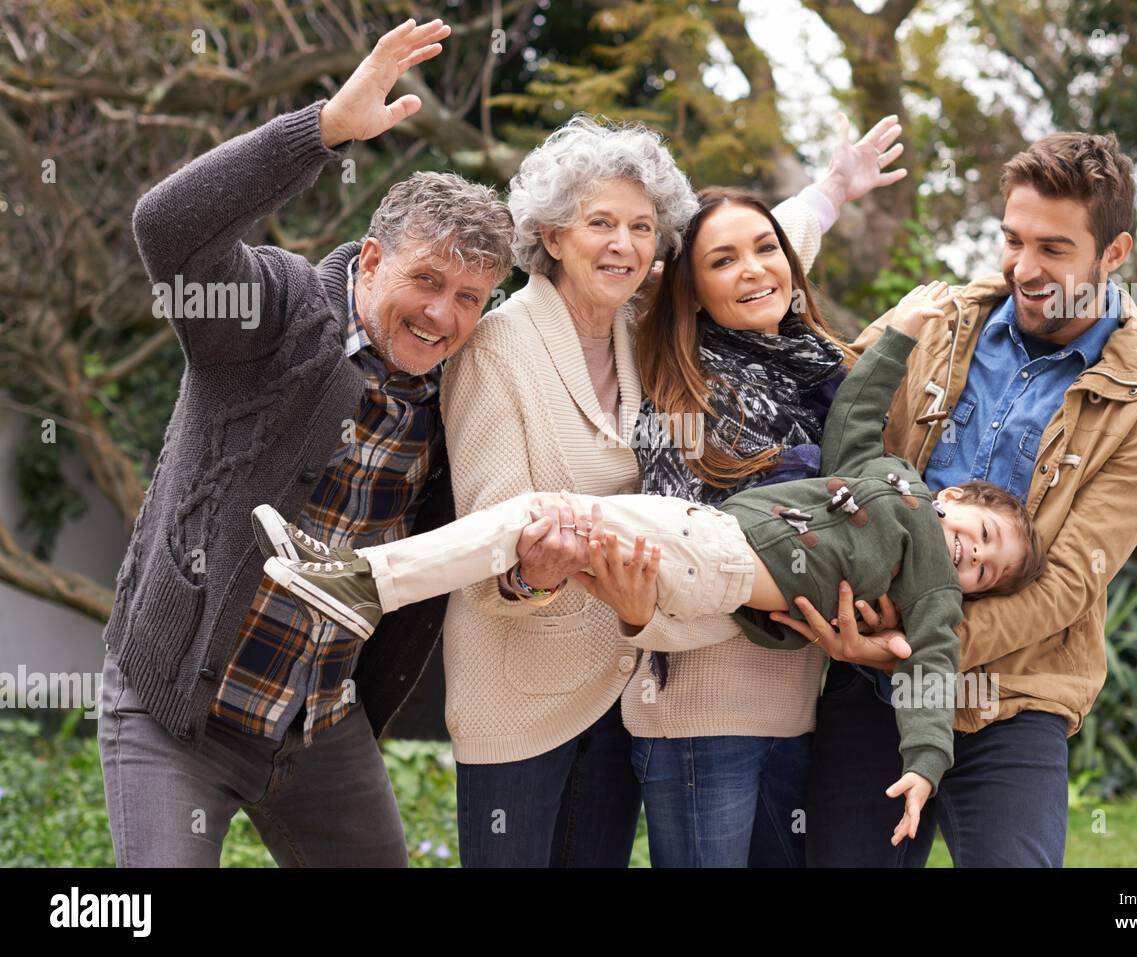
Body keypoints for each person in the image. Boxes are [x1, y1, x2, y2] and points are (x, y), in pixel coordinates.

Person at [259, 281, 1047, 842]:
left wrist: (924, 763)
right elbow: (855, 419)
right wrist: (904, 331)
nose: (972, 556)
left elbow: (934, 669)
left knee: (540, 510)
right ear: (956, 498)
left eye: (986, 569)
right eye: (982, 534)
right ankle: (361, 582)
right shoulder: (888, 482)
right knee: (546, 527)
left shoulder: (930, 582)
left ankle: (363, 581)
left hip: (717, 556)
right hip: (705, 558)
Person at [98, 18, 518, 866]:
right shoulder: (278, 314)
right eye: (426, 280)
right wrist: (322, 129)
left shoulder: (465, 391)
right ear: (369, 261)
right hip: (177, 709)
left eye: (470, 297)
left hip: (318, 725)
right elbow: (167, 232)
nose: (443, 315)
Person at [433, 136, 906, 866]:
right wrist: (533, 571)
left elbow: (745, 260)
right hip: (521, 700)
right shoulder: (499, 348)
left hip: (622, 686)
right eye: (601, 224)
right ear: (552, 234)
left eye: (643, 227)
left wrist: (832, 191)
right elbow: (484, 549)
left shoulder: (641, 322)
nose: (624, 244)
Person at [797, 132, 1137, 867]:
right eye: (1013, 239)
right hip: (869, 681)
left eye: (1054, 248)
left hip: (1015, 691)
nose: (1024, 267)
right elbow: (835, 431)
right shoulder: (933, 323)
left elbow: (1072, 582)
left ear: (1114, 254)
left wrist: (911, 649)